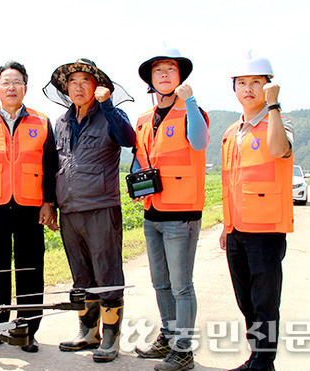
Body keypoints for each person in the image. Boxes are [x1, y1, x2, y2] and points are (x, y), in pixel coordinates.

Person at [44, 58, 135, 362]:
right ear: (66, 88)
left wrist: (108, 106)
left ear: (98, 86)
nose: (79, 87)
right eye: (73, 82)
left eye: (86, 81)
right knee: (81, 274)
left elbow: (128, 138)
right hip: (69, 210)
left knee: (107, 271)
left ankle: (110, 337)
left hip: (101, 207)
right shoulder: (60, 122)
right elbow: (55, 165)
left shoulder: (111, 115)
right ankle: (87, 332)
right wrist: (52, 204)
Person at [0, 60, 57, 353]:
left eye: (17, 82)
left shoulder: (41, 122)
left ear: (25, 88)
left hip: (30, 206)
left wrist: (49, 203)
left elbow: (50, 165)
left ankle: (26, 330)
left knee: (30, 269)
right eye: (6, 82)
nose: (12, 87)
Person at [131, 48, 209, 371]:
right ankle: (167, 334)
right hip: (153, 213)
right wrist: (137, 182)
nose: (164, 75)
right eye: (158, 70)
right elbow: (141, 158)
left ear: (180, 77)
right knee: (160, 282)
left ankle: (184, 350)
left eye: (170, 70)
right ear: (150, 79)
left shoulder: (193, 111)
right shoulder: (144, 121)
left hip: (182, 215)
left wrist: (189, 101)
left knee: (181, 285)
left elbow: (200, 142)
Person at [219, 53, 294, 371]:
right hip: (237, 230)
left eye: (256, 83)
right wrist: (226, 225)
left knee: (264, 301)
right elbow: (231, 183)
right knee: (246, 300)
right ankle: (256, 357)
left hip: (265, 230)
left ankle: (264, 362)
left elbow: (278, 150)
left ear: (269, 86)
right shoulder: (232, 132)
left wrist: (274, 105)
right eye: (242, 83)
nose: (248, 89)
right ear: (234, 88)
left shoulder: (278, 122)